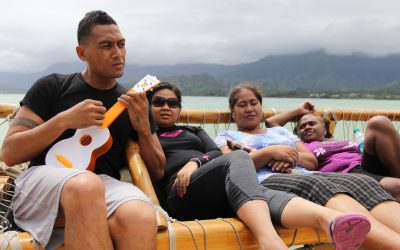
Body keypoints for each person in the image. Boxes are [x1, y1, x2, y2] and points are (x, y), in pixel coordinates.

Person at [1, 10, 165, 250]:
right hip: (42, 181)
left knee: (140, 215)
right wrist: (63, 120)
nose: (118, 53)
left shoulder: (133, 103)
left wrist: (142, 129)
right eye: (106, 46)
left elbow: (158, 170)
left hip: (101, 184)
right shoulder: (53, 86)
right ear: (82, 53)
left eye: (121, 45)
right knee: (85, 185)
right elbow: (10, 152)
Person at [147, 82, 373, 250]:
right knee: (240, 159)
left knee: (260, 191)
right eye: (158, 102)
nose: (166, 107)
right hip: (182, 193)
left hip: (214, 189)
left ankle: (330, 221)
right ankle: (270, 241)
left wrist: (195, 162)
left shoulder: (194, 131)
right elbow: (220, 156)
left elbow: (215, 153)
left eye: (173, 103)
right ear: (148, 107)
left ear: (179, 108)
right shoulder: (146, 135)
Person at [215, 82, 400, 249]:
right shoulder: (226, 137)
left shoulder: (280, 132)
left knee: (360, 182)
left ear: (260, 106)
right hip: (267, 181)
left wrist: (289, 156)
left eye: (253, 103)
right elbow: (233, 167)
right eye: (242, 105)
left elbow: (311, 161)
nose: (249, 108)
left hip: (304, 173)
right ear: (233, 112)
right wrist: (269, 153)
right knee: (318, 186)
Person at [266, 102, 400, 200]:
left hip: (365, 163)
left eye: (312, 123)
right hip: (349, 174)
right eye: (302, 127)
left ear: (324, 129)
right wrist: (299, 110)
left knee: (379, 122)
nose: (307, 127)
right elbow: (271, 123)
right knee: (397, 188)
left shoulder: (338, 140)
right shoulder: (300, 145)